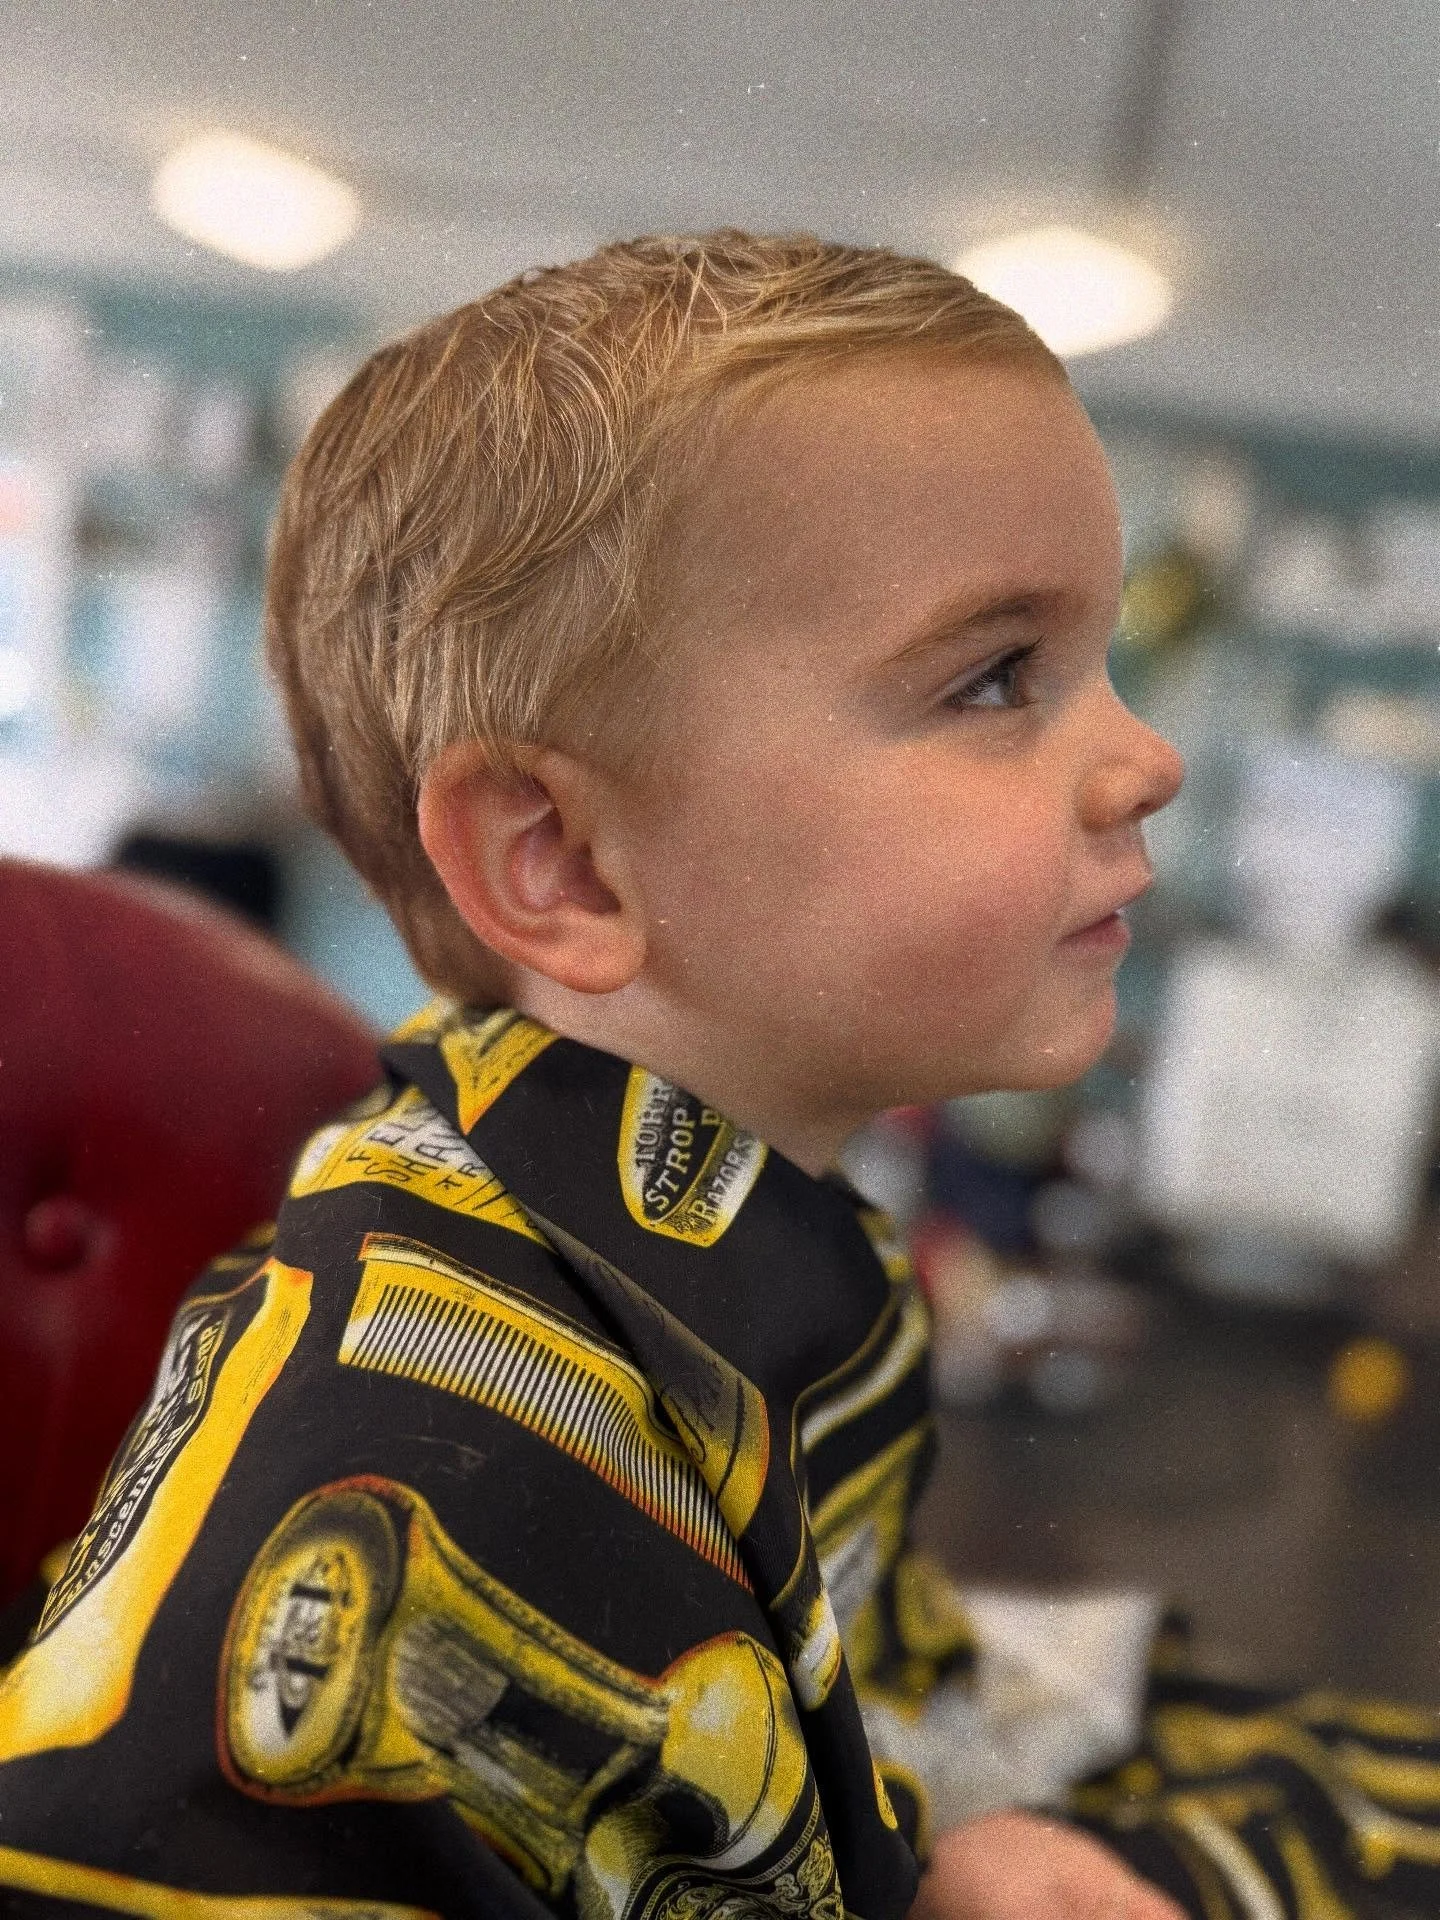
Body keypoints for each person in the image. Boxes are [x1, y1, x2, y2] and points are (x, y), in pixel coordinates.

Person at [2, 232, 1437, 1920]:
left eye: (1102, 663)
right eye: (996, 678)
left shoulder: (749, 1253)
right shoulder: (402, 1455)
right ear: (569, 865)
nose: (1148, 757)